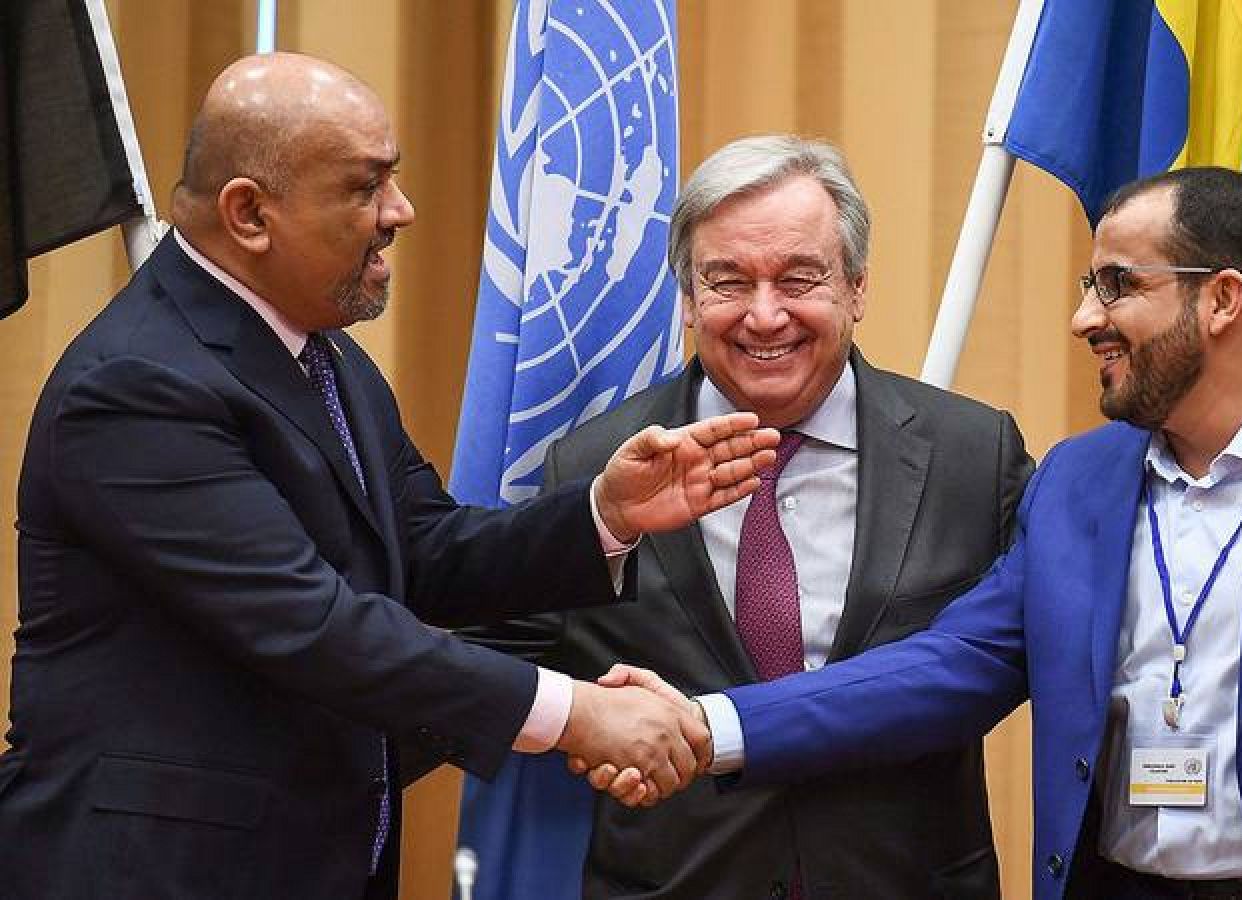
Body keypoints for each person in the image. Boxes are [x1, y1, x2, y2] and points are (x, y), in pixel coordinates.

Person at [597, 167, 1242, 898]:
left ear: (1223, 301)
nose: (1084, 317)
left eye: (1116, 284)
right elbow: (946, 666)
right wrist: (708, 723)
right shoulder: (1075, 481)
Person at [0, 53, 772, 900]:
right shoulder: (137, 387)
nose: (400, 211)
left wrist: (602, 515)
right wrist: (576, 715)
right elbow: (312, 624)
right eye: (366, 187)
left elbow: (427, 551)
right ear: (250, 214)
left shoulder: (322, 357)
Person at [467, 135, 1033, 899]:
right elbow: (488, 658)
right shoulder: (597, 466)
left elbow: (1018, 655)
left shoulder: (972, 456)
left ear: (858, 288)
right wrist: (589, 720)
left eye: (800, 278)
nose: (765, 317)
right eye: (728, 282)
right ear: (690, 298)